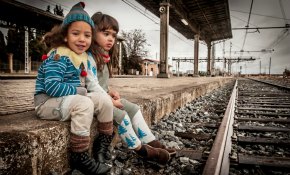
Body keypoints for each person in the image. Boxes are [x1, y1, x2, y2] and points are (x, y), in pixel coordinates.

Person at [34, 2, 114, 174]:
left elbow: (91, 85)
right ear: (65, 36)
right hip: (47, 103)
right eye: (75, 34)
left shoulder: (83, 58)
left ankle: (101, 146)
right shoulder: (59, 56)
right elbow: (52, 87)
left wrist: (106, 96)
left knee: (103, 100)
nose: (82, 39)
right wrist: (81, 93)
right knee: (84, 103)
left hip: (69, 99)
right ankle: (79, 156)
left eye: (87, 35)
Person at [90, 12, 176, 165]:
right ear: (92, 32)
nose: (111, 38)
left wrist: (109, 91)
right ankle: (141, 150)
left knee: (134, 108)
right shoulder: (89, 58)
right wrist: (108, 99)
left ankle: (152, 142)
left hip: (103, 98)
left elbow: (99, 84)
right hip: (92, 102)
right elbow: (88, 86)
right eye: (105, 33)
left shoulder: (103, 56)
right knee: (121, 115)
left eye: (113, 35)